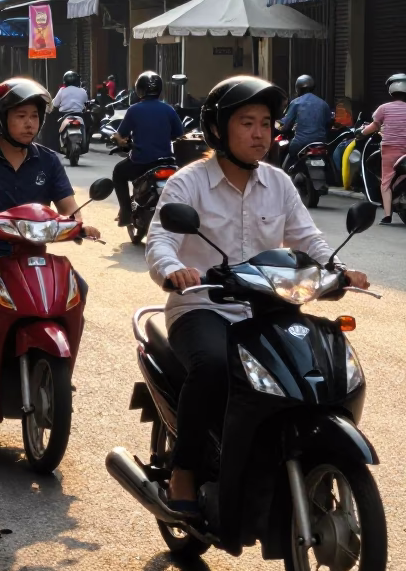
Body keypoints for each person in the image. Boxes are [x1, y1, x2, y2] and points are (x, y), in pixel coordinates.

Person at [145, 76, 369, 514]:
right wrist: (174, 271)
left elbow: (308, 238)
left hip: (268, 307)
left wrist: (338, 271)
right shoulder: (188, 183)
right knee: (211, 366)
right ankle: (184, 472)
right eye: (247, 123)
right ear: (218, 130)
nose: (259, 134)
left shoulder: (279, 182)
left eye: (266, 124)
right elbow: (160, 241)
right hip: (203, 306)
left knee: (318, 367)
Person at [0, 78, 100, 396]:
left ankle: (62, 368)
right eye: (21, 116)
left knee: (77, 288)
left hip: (32, 252)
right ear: (1, 118)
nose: (30, 123)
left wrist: (79, 225)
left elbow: (69, 207)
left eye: (35, 116)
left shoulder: (48, 160)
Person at [112, 70, 183, 227]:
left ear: (140, 90)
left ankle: (125, 212)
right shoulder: (169, 109)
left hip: (141, 161)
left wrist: (119, 141)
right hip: (167, 161)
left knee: (118, 173)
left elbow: (120, 134)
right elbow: (179, 135)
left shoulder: (134, 110)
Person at [356, 72, 406, 224]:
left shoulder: (384, 108)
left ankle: (387, 215)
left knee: (386, 181)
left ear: (391, 90)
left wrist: (361, 132)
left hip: (390, 148)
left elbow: (375, 126)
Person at [279, 74, 331, 168]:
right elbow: (328, 124)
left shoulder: (296, 102)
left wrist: (279, 127)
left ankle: (286, 176)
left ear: (298, 88)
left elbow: (285, 125)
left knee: (286, 162)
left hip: (300, 143)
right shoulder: (323, 104)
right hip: (320, 144)